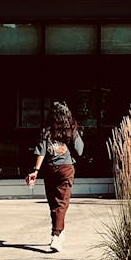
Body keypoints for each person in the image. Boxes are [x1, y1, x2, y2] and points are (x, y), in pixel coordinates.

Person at [26, 101, 83, 252]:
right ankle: (58, 234)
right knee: (61, 203)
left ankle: (56, 234)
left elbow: (41, 151)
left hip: (49, 169)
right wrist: (75, 134)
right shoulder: (71, 130)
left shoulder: (46, 131)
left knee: (54, 204)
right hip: (66, 168)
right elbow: (80, 149)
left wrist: (35, 170)